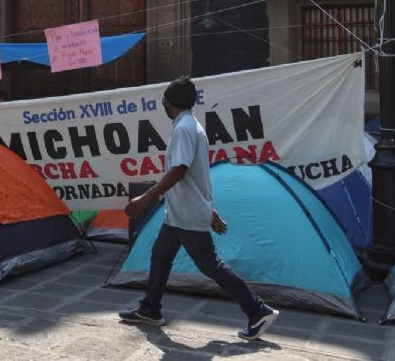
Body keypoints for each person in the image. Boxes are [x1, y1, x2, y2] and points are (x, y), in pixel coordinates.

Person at [119, 76, 280, 341]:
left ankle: (257, 310)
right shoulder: (191, 125)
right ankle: (150, 308)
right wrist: (211, 211)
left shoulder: (184, 128)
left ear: (168, 103)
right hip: (181, 210)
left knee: (209, 263)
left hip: (186, 211)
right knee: (161, 254)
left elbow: (180, 170)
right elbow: (198, 175)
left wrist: (145, 198)